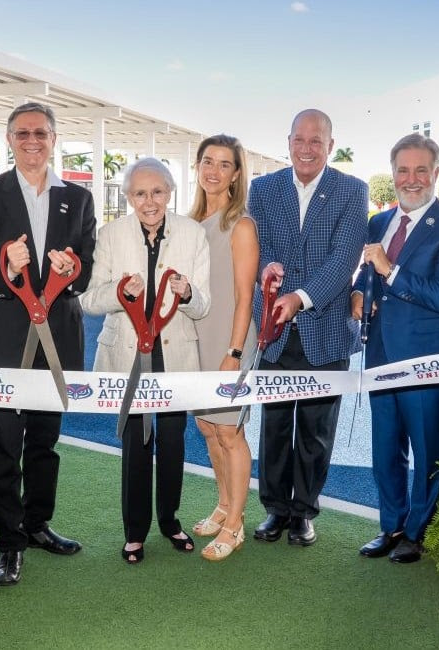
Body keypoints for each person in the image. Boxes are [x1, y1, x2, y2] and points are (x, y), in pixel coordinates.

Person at [0, 102, 96, 586]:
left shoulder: (77, 200)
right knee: (2, 445)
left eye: (40, 133)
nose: (31, 141)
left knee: (44, 442)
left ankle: (37, 526)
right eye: (22, 133)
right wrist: (6, 268)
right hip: (1, 339)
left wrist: (70, 272)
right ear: (8, 139)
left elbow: (88, 269)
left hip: (57, 339)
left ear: (54, 138)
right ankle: (9, 543)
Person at [351, 134, 439, 563]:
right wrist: (358, 291)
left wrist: (390, 268)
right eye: (403, 170)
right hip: (381, 353)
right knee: (385, 445)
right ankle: (392, 525)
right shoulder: (378, 222)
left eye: (421, 170)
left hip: (426, 359)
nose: (412, 178)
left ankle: (419, 533)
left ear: (436, 173)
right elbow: (369, 275)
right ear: (393, 174)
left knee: (426, 448)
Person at [81, 157, 210, 565]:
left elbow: (202, 306)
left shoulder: (192, 234)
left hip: (175, 357)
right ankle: (134, 532)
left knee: (172, 444)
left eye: (157, 192)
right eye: (139, 193)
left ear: (170, 193)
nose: (149, 201)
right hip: (128, 355)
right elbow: (89, 299)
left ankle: (170, 521)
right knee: (136, 446)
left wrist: (187, 293)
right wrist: (120, 294)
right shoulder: (111, 234)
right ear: (128, 197)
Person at [249, 109, 367, 547]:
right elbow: (253, 246)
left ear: (330, 146)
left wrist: (300, 297)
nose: (306, 148)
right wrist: (267, 269)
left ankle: (304, 511)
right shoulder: (262, 189)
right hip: (273, 333)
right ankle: (275, 509)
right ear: (288, 141)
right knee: (275, 425)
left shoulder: (352, 191)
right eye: (299, 139)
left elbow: (344, 260)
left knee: (316, 430)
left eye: (316, 141)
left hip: (327, 330)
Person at [187, 135, 258, 561]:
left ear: (236, 174)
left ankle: (236, 524)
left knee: (230, 430)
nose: (214, 170)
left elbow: (245, 296)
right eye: (207, 161)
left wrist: (234, 352)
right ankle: (224, 504)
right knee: (207, 428)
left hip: (229, 340)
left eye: (224, 164)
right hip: (194, 338)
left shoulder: (241, 225)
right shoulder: (189, 223)